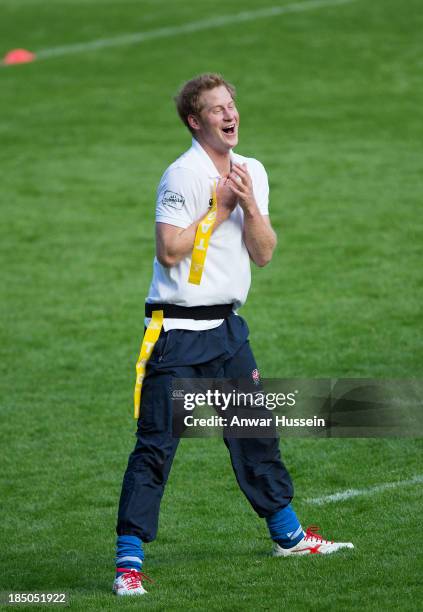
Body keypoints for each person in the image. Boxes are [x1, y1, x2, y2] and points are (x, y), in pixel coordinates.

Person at [113, 73, 353, 596]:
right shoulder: (181, 176)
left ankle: (288, 536)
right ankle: (128, 564)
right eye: (217, 109)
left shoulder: (252, 171)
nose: (230, 115)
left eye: (232, 105)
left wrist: (249, 206)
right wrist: (218, 209)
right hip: (175, 334)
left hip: (227, 332)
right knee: (156, 446)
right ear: (195, 121)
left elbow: (263, 253)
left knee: (255, 435)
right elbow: (169, 251)